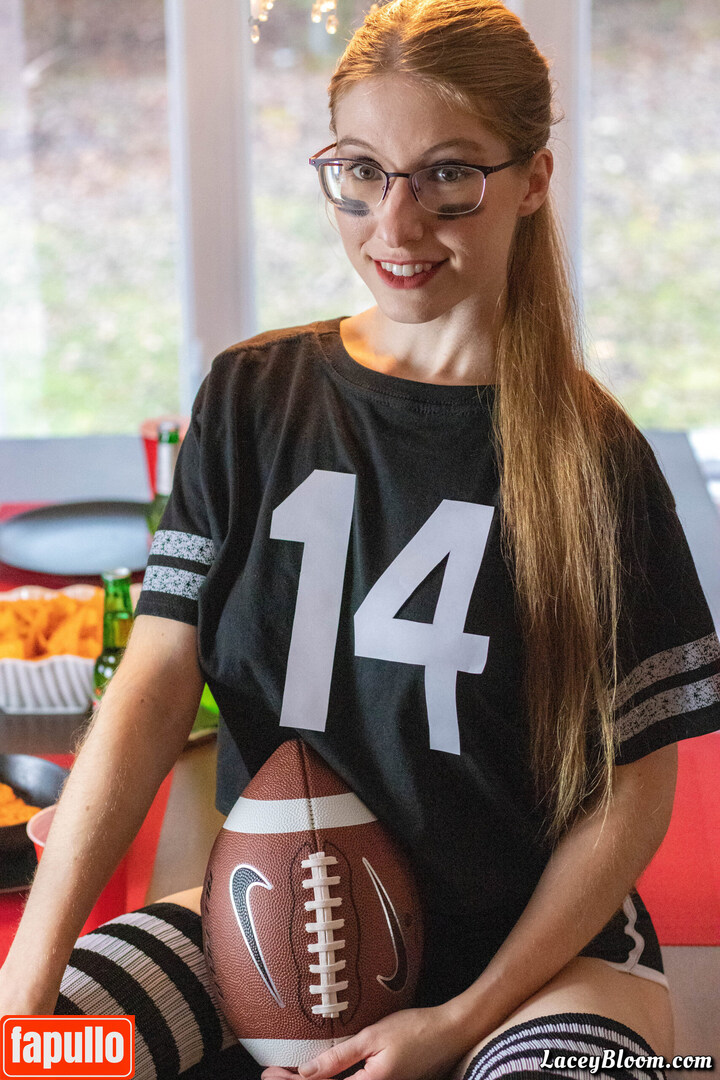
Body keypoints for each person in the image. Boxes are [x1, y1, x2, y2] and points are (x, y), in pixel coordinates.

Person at [2, 2, 719, 1078]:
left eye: (448, 175)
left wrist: (461, 1020)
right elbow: (153, 684)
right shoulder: (252, 398)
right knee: (45, 1058)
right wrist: (30, 976)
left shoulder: (595, 458)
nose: (396, 224)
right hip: (272, 931)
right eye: (362, 171)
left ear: (532, 178)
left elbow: (635, 792)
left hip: (536, 960)